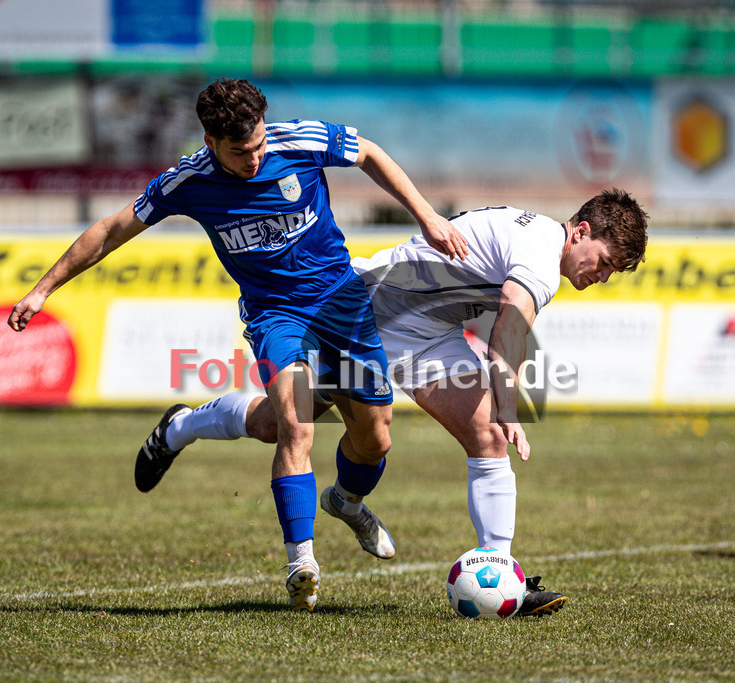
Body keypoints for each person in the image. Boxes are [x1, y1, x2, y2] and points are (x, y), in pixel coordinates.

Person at [8, 77, 469, 613]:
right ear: (210, 142)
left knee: (375, 439)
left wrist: (427, 216)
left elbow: (368, 152)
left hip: (342, 302)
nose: (253, 159)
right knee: (295, 425)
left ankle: (335, 497)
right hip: (276, 316)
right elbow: (112, 229)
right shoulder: (188, 180)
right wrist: (43, 289)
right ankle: (301, 564)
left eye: (258, 145)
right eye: (239, 152)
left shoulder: (300, 141)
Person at [142, 188, 648, 616]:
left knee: (488, 437)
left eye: (613, 272)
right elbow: (508, 331)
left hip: (428, 335)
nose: (602, 276)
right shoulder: (540, 252)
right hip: (367, 315)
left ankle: (501, 575)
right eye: (604, 262)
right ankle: (180, 427)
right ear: (581, 231)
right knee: (274, 425)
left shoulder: (537, 240)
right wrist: (511, 406)